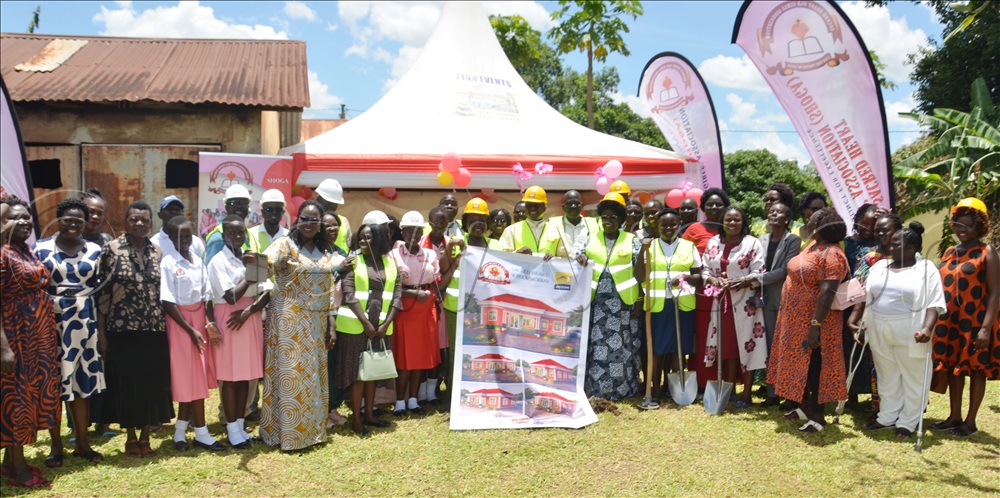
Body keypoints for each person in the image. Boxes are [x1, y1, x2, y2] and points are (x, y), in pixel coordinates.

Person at [850, 222, 944, 438]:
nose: (890, 248)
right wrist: (862, 324)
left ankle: (909, 421)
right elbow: (867, 298)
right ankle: (888, 415)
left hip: (911, 329)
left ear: (912, 248)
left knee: (914, 375)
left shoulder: (926, 269)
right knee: (886, 374)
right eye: (890, 244)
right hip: (879, 328)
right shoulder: (878, 267)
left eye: (896, 244)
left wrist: (928, 328)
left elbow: (934, 302)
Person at [97, 200, 174, 458]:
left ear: (151, 222)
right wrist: (102, 334)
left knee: (150, 384)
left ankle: (145, 436)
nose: (139, 223)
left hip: (154, 329)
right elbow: (103, 296)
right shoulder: (112, 250)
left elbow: (164, 292)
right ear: (125, 222)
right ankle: (130, 437)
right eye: (134, 219)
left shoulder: (158, 251)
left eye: (144, 219)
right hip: (122, 329)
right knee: (128, 384)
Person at [261, 200, 340, 450]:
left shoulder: (324, 250)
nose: (309, 223)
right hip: (289, 319)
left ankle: (312, 432)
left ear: (320, 224)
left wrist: (331, 323)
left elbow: (328, 289)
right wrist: (253, 262)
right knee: (290, 375)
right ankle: (286, 434)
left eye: (314, 220)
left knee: (312, 375)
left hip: (316, 322)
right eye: (305, 218)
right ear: (297, 220)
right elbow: (262, 268)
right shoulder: (285, 245)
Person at [34, 198, 105, 464]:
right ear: (58, 219)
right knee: (54, 385)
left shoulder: (95, 250)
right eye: (67, 219)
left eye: (79, 220)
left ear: (85, 223)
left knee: (81, 385)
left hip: (85, 321)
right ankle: (56, 447)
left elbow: (101, 292)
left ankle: (83, 445)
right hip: (50, 322)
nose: (73, 224)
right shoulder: (41, 248)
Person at [768, 208, 849, 432]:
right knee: (799, 364)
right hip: (795, 320)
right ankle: (803, 406)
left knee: (815, 366)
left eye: (811, 220)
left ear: (820, 225)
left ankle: (818, 416)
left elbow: (828, 291)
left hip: (816, 321)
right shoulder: (814, 246)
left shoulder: (832, 253)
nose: (807, 222)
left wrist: (815, 325)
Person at [1, 196, 60, 488]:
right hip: (15, 338)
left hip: (36, 338)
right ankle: (19, 469)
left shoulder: (23, 250)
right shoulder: (2, 253)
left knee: (28, 397)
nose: (24, 222)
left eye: (27, 217)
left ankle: (9, 463)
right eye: (16, 217)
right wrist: (4, 348)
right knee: (16, 400)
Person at [931, 198, 999, 438]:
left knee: (976, 370)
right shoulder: (950, 251)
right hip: (950, 322)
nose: (962, 229)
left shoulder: (986, 251)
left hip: (975, 322)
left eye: (968, 225)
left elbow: (995, 292)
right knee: (952, 368)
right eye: (958, 224)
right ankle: (954, 416)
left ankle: (970, 422)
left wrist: (986, 328)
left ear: (979, 226)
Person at [160, 216, 225, 452]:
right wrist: (190, 330)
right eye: (180, 236)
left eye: (188, 235)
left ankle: (180, 432)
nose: (185, 240)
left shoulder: (198, 261)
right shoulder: (168, 262)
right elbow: (167, 301)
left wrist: (208, 323)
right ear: (171, 238)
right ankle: (201, 433)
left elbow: (206, 297)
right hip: (180, 324)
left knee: (197, 375)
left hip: (199, 321)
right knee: (189, 377)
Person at [335, 217, 403, 436]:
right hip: (356, 327)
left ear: (379, 239)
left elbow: (397, 296)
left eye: (369, 237)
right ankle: (356, 420)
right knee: (357, 375)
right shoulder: (353, 260)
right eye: (361, 236)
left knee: (371, 372)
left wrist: (384, 324)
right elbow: (348, 294)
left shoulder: (391, 264)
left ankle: (370, 415)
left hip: (381, 328)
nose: (364, 240)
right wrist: (366, 323)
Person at [208, 216, 269, 448]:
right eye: (232, 233)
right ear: (224, 236)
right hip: (230, 320)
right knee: (231, 378)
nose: (237, 237)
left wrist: (249, 311)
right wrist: (250, 274)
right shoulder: (218, 261)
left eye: (240, 233)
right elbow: (230, 296)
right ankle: (232, 428)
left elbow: (266, 293)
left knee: (246, 377)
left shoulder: (254, 258)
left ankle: (241, 426)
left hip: (248, 319)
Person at [575, 193, 642, 401]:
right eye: (605, 217)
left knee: (622, 346)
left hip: (623, 303)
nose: (608, 221)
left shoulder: (632, 241)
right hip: (597, 304)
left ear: (621, 220)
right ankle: (596, 389)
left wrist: (641, 300)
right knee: (597, 347)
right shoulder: (590, 239)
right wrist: (581, 257)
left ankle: (623, 388)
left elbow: (641, 272)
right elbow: (576, 258)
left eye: (613, 217)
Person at [702, 206, 767, 408]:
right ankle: (729, 390)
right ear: (722, 221)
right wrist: (712, 279)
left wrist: (743, 282)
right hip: (720, 302)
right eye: (728, 220)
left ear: (743, 221)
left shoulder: (752, 243)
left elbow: (760, 270)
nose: (732, 223)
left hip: (746, 303)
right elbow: (704, 269)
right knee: (727, 346)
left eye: (737, 220)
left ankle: (746, 394)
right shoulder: (713, 243)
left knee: (748, 346)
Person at [640, 208, 702, 401]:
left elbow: (699, 276)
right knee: (657, 349)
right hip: (657, 305)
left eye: (673, 224)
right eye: (664, 225)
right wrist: (642, 250)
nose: (669, 228)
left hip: (682, 304)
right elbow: (639, 276)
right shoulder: (650, 246)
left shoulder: (689, 247)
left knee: (678, 348)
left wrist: (685, 277)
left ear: (679, 224)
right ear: (657, 226)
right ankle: (656, 388)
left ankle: (676, 389)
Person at [390, 211, 441, 416]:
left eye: (417, 230)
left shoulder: (430, 254)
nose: (413, 234)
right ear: (402, 231)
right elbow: (390, 288)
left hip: (425, 308)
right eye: (409, 230)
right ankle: (399, 401)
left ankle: (413, 399)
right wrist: (413, 293)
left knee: (420, 355)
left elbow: (436, 282)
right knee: (403, 356)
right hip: (404, 308)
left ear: (422, 232)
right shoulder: (393, 255)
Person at [682, 187, 729, 389]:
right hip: (701, 293)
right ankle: (701, 382)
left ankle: (723, 381)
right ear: (703, 207)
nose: (715, 207)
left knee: (724, 336)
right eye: (710, 204)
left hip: (727, 292)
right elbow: (682, 257)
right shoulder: (693, 230)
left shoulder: (731, 227)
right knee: (702, 336)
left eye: (719, 204)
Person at [756, 202, 801, 406]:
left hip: (784, 297)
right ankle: (772, 393)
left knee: (785, 345)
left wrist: (755, 279)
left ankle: (788, 392)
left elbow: (785, 270)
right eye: (771, 211)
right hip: (762, 300)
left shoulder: (793, 240)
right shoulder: (761, 240)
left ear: (787, 219)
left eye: (779, 212)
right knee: (768, 346)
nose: (774, 214)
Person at [321, 211, 350, 428]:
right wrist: (339, 270)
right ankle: (322, 411)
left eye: (335, 225)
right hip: (320, 315)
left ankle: (332, 408)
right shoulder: (315, 253)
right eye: (327, 225)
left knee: (334, 364)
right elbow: (321, 282)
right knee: (322, 364)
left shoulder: (342, 252)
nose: (332, 229)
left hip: (340, 314)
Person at [499, 186, 559, 258]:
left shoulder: (556, 230)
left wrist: (554, 258)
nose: (533, 209)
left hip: (548, 269)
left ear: (544, 208)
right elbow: (501, 256)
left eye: (537, 206)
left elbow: (564, 257)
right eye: (529, 206)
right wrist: (516, 253)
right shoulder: (512, 230)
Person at [548, 190, 597, 259]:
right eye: (569, 203)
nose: (573, 206)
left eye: (577, 203)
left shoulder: (594, 224)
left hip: (586, 267)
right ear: (563, 207)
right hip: (560, 268)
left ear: (582, 205)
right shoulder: (552, 223)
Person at [315, 178, 352, 253]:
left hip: (341, 260)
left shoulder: (343, 221)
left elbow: (350, 246)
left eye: (335, 203)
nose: (332, 205)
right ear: (318, 199)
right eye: (328, 202)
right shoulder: (311, 222)